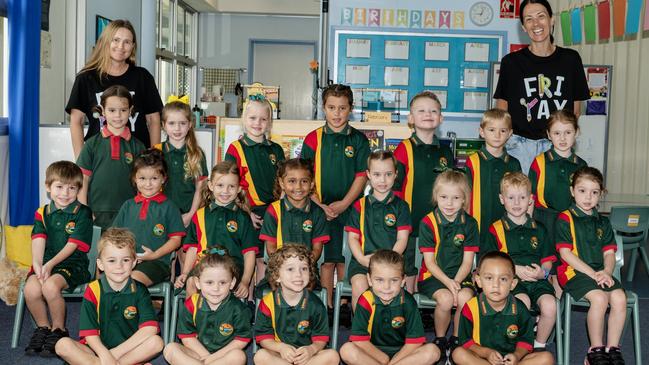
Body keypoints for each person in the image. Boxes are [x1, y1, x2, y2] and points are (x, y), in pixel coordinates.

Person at [493, 0, 590, 172]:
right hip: (518, 146)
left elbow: (575, 111)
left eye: (541, 16)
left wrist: (562, 139)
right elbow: (502, 112)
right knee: (518, 198)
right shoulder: (511, 62)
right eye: (529, 19)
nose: (536, 24)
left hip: (557, 145)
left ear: (552, 20)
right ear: (523, 26)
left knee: (556, 197)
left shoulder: (571, 60)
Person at [300, 84, 370, 312]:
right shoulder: (313, 139)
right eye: (332, 107)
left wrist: (344, 204)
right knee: (327, 260)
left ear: (351, 108)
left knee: (345, 259)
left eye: (342, 108)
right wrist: (319, 204)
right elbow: (304, 175)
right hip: (320, 209)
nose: (337, 113)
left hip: (349, 208)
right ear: (324, 109)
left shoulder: (359, 140)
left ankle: (344, 304)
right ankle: (329, 306)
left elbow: (362, 175)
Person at [55, 228, 164, 364]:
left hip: (126, 351)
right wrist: (104, 354)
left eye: (125, 260)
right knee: (62, 345)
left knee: (157, 342)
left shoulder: (140, 290)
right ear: (101, 264)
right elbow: (89, 334)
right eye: (112, 261)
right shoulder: (93, 289)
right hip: (96, 350)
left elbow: (151, 328)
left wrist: (112, 355)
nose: (119, 266)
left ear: (134, 262)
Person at [556, 167, 627, 364]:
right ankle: (594, 351)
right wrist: (593, 274)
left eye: (594, 192)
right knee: (599, 298)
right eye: (582, 191)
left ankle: (612, 349)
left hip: (600, 272)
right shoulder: (565, 218)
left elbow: (609, 253)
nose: (588, 197)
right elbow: (565, 254)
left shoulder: (603, 222)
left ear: (601, 194)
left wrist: (606, 271)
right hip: (574, 272)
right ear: (572, 191)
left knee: (620, 298)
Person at [24, 161, 93, 357]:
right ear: (48, 187)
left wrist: (50, 264)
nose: (65, 193)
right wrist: (37, 264)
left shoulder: (83, 212)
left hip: (73, 264)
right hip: (46, 263)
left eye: (71, 188)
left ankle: (59, 330)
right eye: (59, 187)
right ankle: (43, 328)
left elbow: (73, 245)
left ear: (78, 189)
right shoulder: (42, 212)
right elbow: (38, 239)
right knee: (31, 289)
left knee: (50, 287)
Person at [67, 19, 162, 156]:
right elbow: (76, 121)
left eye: (127, 42)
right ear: (105, 42)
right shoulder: (86, 78)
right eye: (115, 40)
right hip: (99, 157)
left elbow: (154, 120)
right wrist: (81, 161)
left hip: (139, 159)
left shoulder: (143, 77)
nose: (121, 46)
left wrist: (155, 155)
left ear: (133, 46)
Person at [483, 172, 556, 350]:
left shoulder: (540, 229)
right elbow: (489, 263)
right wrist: (515, 269)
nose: (516, 203)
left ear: (530, 199)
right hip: (511, 282)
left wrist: (542, 273)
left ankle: (538, 346)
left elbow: (547, 261)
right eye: (511, 197)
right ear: (502, 199)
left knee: (550, 305)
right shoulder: (496, 229)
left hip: (537, 280)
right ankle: (517, 345)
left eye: (522, 197)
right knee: (521, 303)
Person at [393, 91, 454, 292]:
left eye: (433, 111)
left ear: (441, 118)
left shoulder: (445, 152)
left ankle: (427, 304)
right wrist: (400, 220)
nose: (428, 114)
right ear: (411, 119)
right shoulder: (404, 148)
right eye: (421, 111)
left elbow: (452, 187)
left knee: (434, 261)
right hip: (409, 220)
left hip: (439, 222)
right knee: (409, 264)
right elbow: (396, 189)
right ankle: (410, 302)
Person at [417, 170, 479, 363]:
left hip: (460, 275)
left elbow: (468, 262)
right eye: (444, 197)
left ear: (464, 200)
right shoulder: (428, 222)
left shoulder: (469, 223)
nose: (449, 203)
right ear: (436, 196)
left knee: (465, 297)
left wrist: (457, 283)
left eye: (455, 198)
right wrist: (448, 283)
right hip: (433, 276)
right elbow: (429, 263)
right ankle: (441, 338)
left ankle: (456, 339)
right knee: (444, 299)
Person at [225, 95, 286, 290]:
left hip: (273, 212)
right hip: (248, 212)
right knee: (250, 256)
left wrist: (280, 209)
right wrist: (246, 212)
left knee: (266, 259)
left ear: (269, 122)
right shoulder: (236, 149)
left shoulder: (276, 150)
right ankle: (248, 301)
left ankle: (261, 303)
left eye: (263, 119)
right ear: (244, 120)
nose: (257, 123)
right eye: (252, 118)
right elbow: (231, 184)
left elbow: (283, 183)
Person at [339, 249, 441, 365]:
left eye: (394, 280)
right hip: (371, 353)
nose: (386, 287)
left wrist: (393, 362)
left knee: (433, 352)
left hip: (403, 354)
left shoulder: (408, 302)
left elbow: (414, 342)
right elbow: (359, 339)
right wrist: (384, 359)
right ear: (369, 280)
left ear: (403, 281)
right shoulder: (365, 300)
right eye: (379, 280)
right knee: (346, 350)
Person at [452, 251, 554, 365]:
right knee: (458, 354)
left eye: (503, 279)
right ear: (479, 281)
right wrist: (487, 353)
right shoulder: (470, 308)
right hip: (481, 359)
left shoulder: (520, 309)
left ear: (513, 284)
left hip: (511, 361)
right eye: (489, 278)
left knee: (547, 358)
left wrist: (516, 356)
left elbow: (525, 342)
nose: (496, 284)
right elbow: (466, 342)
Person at [176, 161, 258, 298]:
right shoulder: (200, 215)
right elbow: (192, 248)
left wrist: (245, 281)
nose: (225, 191)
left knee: (220, 281)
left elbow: (249, 253)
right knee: (191, 282)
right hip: (204, 265)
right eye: (220, 185)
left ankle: (222, 318)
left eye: (231, 186)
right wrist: (185, 272)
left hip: (232, 269)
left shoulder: (243, 218)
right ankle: (197, 317)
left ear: (238, 189)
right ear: (211, 186)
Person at [345, 151, 411, 310]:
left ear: (396, 174)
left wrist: (389, 262)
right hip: (363, 262)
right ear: (368, 175)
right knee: (359, 287)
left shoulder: (401, 206)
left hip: (391, 262)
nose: (383, 180)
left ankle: (387, 331)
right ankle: (360, 331)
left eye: (388, 174)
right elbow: (352, 238)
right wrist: (361, 259)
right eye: (377, 174)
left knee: (392, 290)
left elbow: (402, 239)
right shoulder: (358, 206)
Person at [254, 244, 340, 365]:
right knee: (260, 356)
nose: (299, 274)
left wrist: (311, 349)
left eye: (304, 269)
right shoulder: (268, 303)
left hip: (307, 357)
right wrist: (281, 348)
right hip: (280, 354)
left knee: (332, 356)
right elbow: (263, 338)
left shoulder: (316, 305)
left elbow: (321, 338)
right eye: (290, 269)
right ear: (277, 276)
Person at [111, 149, 185, 286]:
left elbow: (176, 240)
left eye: (154, 178)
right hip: (126, 261)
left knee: (129, 282)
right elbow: (114, 236)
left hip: (157, 263)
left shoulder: (170, 207)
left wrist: (155, 255)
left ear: (163, 179)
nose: (148, 184)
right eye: (142, 178)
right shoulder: (128, 205)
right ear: (134, 179)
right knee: (106, 282)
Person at [77, 84, 146, 230]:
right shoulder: (91, 144)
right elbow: (83, 179)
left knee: (124, 251)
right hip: (96, 212)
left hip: (129, 212)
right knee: (98, 252)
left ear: (131, 111)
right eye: (112, 110)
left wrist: (140, 209)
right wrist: (84, 210)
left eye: (123, 110)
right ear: (102, 111)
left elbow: (144, 183)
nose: (118, 115)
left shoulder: (138, 147)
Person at [163, 252, 252, 365]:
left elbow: (242, 339)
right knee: (170, 349)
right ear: (198, 283)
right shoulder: (192, 304)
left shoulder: (239, 309)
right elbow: (187, 336)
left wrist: (211, 359)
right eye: (209, 282)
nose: (216, 288)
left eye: (223, 282)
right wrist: (206, 357)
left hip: (224, 357)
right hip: (199, 355)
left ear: (232, 283)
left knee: (238, 356)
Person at [528, 109, 587, 243]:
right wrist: (529, 225)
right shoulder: (539, 162)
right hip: (543, 220)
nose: (562, 138)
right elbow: (530, 196)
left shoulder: (581, 165)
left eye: (568, 132)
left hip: (571, 220)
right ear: (549, 135)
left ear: (576, 132)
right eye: (557, 133)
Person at [464, 108, 521, 243]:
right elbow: (465, 195)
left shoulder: (514, 164)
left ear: (510, 133)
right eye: (492, 130)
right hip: (478, 226)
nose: (497, 135)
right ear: (482, 132)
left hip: (506, 226)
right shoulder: (472, 161)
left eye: (503, 130)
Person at [154, 96, 208, 227]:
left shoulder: (197, 154)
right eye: (172, 123)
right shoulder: (156, 152)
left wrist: (190, 215)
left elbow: (200, 189)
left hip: (189, 216)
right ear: (163, 125)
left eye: (182, 123)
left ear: (190, 125)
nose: (177, 128)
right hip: (160, 215)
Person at [260, 158, 329, 259]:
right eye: (292, 181)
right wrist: (286, 266)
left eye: (304, 181)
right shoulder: (273, 210)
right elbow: (271, 248)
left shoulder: (318, 213)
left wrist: (302, 266)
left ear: (312, 184)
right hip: (278, 269)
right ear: (282, 183)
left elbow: (317, 250)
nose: (298, 187)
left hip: (306, 269)